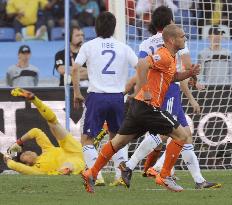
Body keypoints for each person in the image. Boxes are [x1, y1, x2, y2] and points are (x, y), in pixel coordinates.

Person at [80, 24, 200, 193]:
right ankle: (164, 176)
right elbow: (142, 64)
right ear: (172, 40)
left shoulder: (171, 57)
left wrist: (189, 73)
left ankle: (91, 172)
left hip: (138, 106)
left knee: (118, 142)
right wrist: (147, 89)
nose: (185, 38)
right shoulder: (163, 55)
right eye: (182, 36)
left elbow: (172, 77)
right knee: (182, 136)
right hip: (149, 106)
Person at [120, 6, 221, 190]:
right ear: (170, 22)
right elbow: (186, 66)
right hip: (169, 90)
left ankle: (198, 180)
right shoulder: (176, 39)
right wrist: (193, 78)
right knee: (167, 134)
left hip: (156, 90)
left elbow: (141, 66)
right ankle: (135, 166)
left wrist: (138, 89)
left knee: (184, 135)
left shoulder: (146, 42)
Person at [72, 12, 138, 187]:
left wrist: (77, 93)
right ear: (114, 28)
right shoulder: (123, 47)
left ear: (96, 27)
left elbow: (75, 68)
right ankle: (120, 173)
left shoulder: (89, 46)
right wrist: (135, 90)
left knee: (87, 138)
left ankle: (96, 174)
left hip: (97, 96)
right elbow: (141, 67)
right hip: (117, 98)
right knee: (117, 138)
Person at [5, 88, 85, 175]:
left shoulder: (46, 149)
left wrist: (18, 142)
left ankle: (35, 100)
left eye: (24, 152)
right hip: (75, 163)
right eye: (24, 156)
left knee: (53, 124)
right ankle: (64, 171)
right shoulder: (36, 169)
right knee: (68, 165)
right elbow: (17, 167)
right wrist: (7, 159)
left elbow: (36, 132)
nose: (26, 152)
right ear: (27, 164)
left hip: (73, 149)